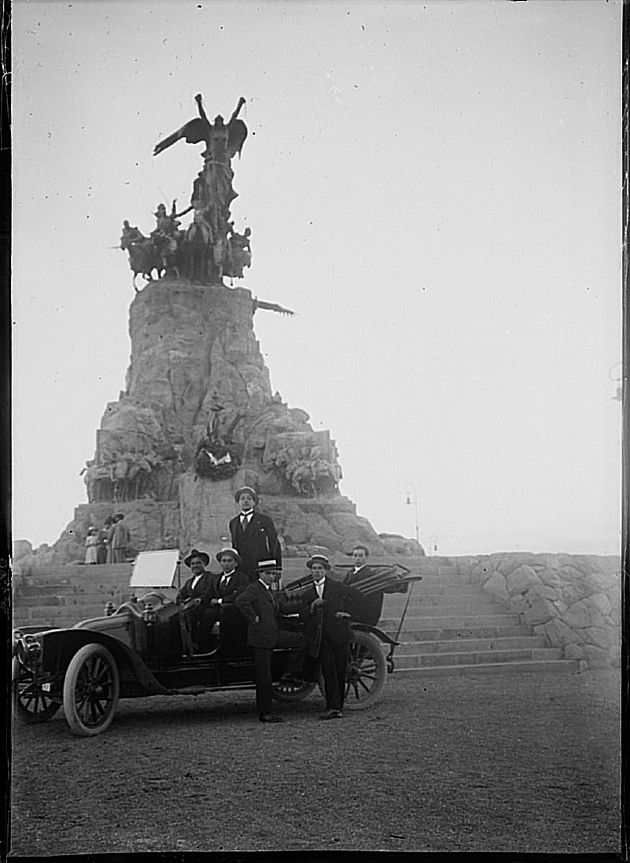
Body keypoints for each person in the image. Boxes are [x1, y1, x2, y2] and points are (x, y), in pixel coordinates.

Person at [235, 559, 308, 723]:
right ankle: (265, 713)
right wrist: (253, 618)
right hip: (261, 638)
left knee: (301, 641)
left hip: (272, 635)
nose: (271, 576)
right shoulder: (255, 588)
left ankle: (290, 675)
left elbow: (280, 608)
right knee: (264, 677)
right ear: (260, 574)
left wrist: (305, 605)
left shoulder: (268, 590)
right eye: (268, 573)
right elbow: (241, 601)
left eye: (273, 573)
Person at [302, 554, 364, 720]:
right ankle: (333, 708)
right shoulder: (308, 593)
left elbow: (357, 595)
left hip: (340, 635)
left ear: (325, 571)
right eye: (314, 569)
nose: (317, 572)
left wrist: (348, 613)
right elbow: (303, 614)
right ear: (310, 571)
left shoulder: (336, 587)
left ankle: (338, 707)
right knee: (328, 672)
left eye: (320, 569)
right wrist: (312, 607)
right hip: (322, 638)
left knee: (340, 670)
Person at [342, 545, 408, 627]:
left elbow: (388, 587)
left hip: (363, 614)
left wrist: (401, 583)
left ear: (366, 557)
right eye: (355, 555)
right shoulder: (349, 574)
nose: (357, 558)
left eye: (360, 555)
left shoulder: (372, 576)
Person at [229, 486, 282, 581]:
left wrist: (277, 567)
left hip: (260, 566)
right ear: (238, 502)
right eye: (242, 499)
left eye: (249, 499)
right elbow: (235, 545)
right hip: (241, 567)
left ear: (254, 502)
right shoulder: (233, 522)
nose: (246, 501)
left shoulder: (264, 520)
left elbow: (274, 543)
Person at [176, 549, 219, 653]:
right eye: (193, 564)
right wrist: (180, 600)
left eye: (198, 563)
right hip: (192, 608)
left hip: (207, 607)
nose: (195, 566)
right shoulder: (189, 582)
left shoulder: (211, 577)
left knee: (196, 616)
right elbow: (181, 594)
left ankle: (197, 644)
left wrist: (198, 600)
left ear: (204, 564)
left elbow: (209, 592)